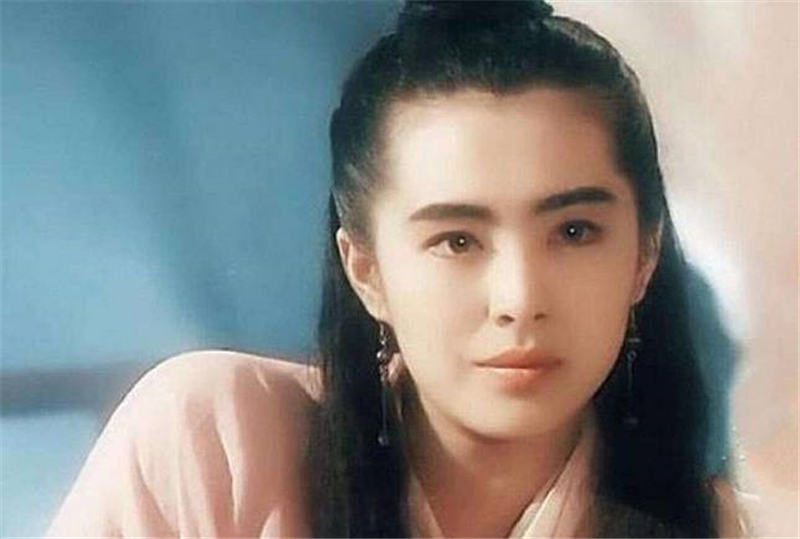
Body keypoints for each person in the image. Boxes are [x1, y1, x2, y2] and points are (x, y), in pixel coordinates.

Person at [46, 1, 754, 537]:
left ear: (643, 256)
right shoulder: (216, 440)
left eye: (574, 231)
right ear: (366, 269)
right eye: (457, 240)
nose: (518, 298)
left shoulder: (722, 526)